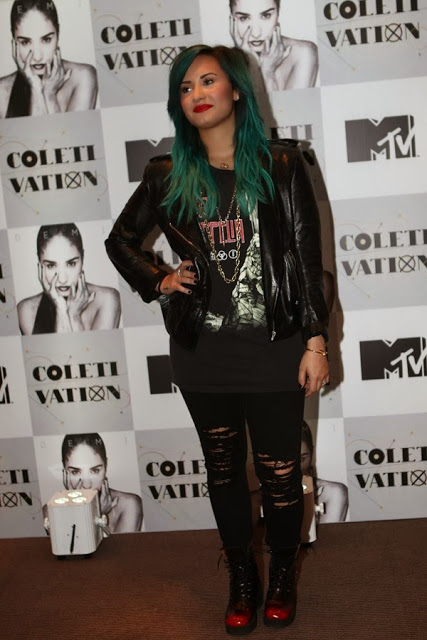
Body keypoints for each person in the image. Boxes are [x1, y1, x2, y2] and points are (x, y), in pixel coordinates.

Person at [105, 44, 329, 634]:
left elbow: (307, 261)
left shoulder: (282, 165)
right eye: (185, 87)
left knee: (280, 475)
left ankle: (283, 571)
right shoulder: (166, 175)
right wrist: (160, 278)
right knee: (224, 472)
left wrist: (316, 342)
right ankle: (242, 577)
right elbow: (119, 241)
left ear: (235, 90)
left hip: (276, 348)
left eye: (208, 81)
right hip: (203, 354)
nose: (197, 94)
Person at [0, 0, 97, 118]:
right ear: (14, 41)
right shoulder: (2, 91)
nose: (37, 57)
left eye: (46, 40)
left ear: (58, 33)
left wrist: (49, 95)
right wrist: (36, 88)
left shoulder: (83, 76)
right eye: (25, 42)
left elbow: (68, 131)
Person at [18, 223, 121, 334]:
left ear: (82, 258)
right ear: (40, 266)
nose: (62, 279)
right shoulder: (27, 310)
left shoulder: (107, 298)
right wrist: (62, 309)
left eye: (71, 264)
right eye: (51, 265)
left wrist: (74, 316)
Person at [43, 433, 143, 534]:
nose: (87, 485)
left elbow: (122, 546)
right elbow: (72, 544)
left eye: (95, 471)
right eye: (75, 472)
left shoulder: (128, 503)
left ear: (106, 466)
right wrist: (97, 514)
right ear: (64, 471)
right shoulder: (51, 511)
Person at [229, 0, 318, 92]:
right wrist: (251, 63)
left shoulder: (303, 52)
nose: (256, 33)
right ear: (232, 20)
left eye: (266, 16)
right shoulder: (225, 61)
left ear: (278, 13)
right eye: (243, 18)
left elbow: (292, 103)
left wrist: (267, 72)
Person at [301, 421, 348, 523]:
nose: (297, 469)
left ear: (312, 453)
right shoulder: (264, 496)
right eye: (286, 462)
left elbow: (330, 534)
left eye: (302, 459)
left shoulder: (332, 492)